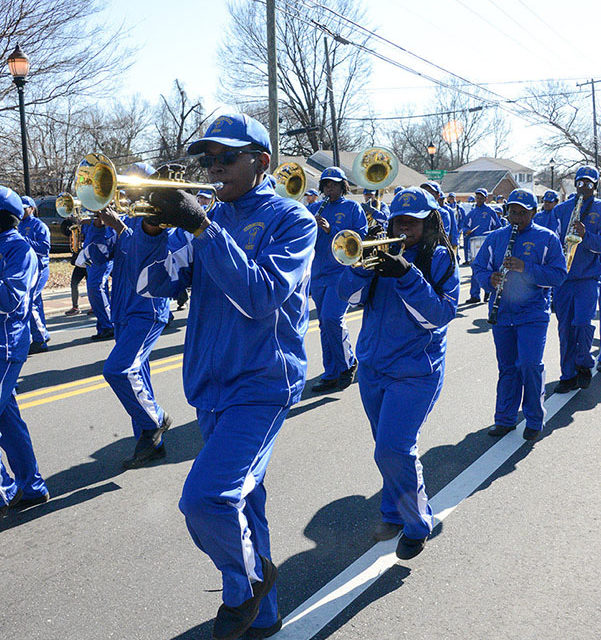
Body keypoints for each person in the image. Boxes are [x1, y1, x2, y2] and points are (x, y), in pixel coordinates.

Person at [130, 113, 317, 640]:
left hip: (261, 383)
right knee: (244, 502)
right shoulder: (208, 221)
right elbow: (152, 284)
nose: (213, 169)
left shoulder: (292, 219)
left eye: (226, 158)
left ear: (262, 161)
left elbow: (260, 297)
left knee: (206, 499)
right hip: (209, 384)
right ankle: (268, 612)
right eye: (208, 160)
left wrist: (202, 229)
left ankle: (248, 585)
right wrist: (149, 234)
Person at [338, 187, 459, 558]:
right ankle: (392, 509)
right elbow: (347, 296)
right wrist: (364, 264)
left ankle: (418, 522)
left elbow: (437, 317)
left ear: (428, 223)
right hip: (374, 368)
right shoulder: (380, 253)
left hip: (415, 372)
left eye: (413, 223)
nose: (404, 229)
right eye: (399, 222)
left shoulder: (438, 258)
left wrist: (406, 273)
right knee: (384, 449)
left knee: (394, 449)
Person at [472, 189, 567, 441]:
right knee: (507, 368)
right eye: (512, 211)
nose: (515, 216)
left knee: (529, 365)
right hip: (502, 313)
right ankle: (504, 418)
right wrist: (488, 279)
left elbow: (559, 275)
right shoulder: (495, 238)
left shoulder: (547, 238)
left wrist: (526, 268)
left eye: (521, 212)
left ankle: (534, 418)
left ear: (533, 213)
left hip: (533, 314)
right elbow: (479, 267)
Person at [0, 187, 49, 517]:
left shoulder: (19, 248)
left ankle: (5, 490)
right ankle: (31, 486)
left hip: (5, 345)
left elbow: (14, 301)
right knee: (8, 419)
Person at [308, 167, 368, 392]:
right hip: (319, 273)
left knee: (332, 318)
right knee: (324, 323)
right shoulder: (315, 208)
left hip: (341, 273)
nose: (329, 188)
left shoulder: (352, 207)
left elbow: (359, 238)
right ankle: (331, 372)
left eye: (333, 184)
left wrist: (332, 228)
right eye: (326, 184)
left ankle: (347, 363)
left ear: (342, 186)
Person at [553, 166, 601, 392]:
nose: (583, 188)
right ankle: (567, 375)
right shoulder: (561, 209)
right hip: (564, 279)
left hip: (587, 279)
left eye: (589, 184)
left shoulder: (600, 209)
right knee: (565, 329)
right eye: (580, 183)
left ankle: (583, 362)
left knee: (582, 323)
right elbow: (551, 241)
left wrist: (586, 236)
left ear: (596, 186)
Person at [18, 196, 51, 354]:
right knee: (35, 302)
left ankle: (40, 339)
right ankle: (43, 332)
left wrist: (24, 241)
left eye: (25, 208)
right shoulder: (18, 224)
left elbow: (45, 248)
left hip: (39, 268)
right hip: (27, 269)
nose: (22, 211)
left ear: (32, 208)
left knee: (29, 302)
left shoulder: (39, 225)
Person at [75, 215, 116, 340]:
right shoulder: (90, 213)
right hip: (91, 256)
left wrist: (87, 221)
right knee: (97, 291)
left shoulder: (102, 210)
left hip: (101, 256)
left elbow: (103, 221)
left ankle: (109, 325)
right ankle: (103, 326)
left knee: (96, 289)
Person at [463, 188, 502, 303]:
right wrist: (467, 231)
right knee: (475, 268)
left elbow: (498, 228)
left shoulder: (490, 212)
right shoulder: (471, 213)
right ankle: (475, 295)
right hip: (475, 243)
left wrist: (490, 235)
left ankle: (488, 292)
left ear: (486, 198)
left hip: (487, 243)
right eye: (477, 197)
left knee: (488, 268)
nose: (479, 199)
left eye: (481, 197)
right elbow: (465, 226)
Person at [420, 181, 459, 251]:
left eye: (430, 193)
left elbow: (442, 237)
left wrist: (454, 242)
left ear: (438, 196)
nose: (427, 195)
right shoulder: (418, 212)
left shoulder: (443, 213)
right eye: (424, 192)